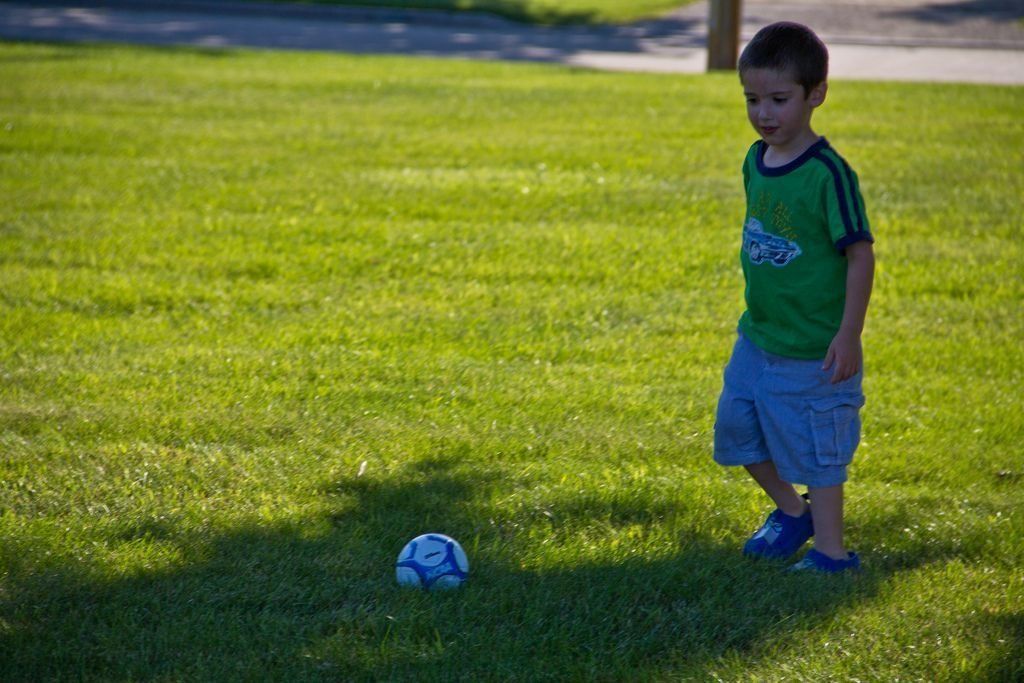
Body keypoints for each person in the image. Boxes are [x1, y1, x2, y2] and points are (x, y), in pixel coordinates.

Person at [713, 22, 874, 573]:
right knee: (735, 431)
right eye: (753, 99)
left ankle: (832, 554)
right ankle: (790, 510)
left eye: (779, 100)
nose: (764, 113)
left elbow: (860, 255)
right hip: (759, 337)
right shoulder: (754, 160)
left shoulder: (829, 174)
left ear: (815, 95)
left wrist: (847, 333)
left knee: (819, 455)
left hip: (815, 349)